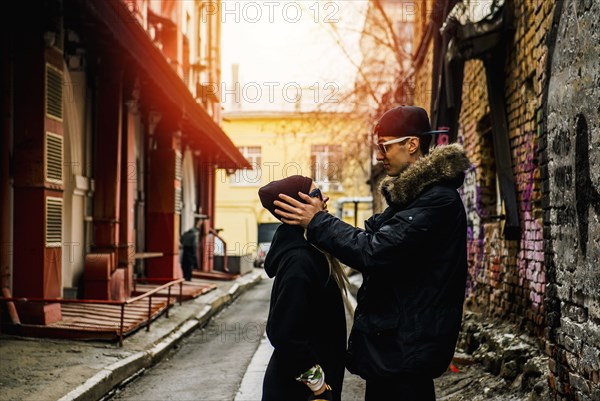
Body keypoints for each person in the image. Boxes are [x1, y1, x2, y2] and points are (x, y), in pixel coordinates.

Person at [273, 106, 471, 401]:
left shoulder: (437, 201)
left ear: (412, 144)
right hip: (394, 353)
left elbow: (375, 250)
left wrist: (318, 222)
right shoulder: (412, 200)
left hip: (406, 355)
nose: (379, 155)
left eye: (384, 146)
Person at [258, 175, 348, 401]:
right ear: (297, 205)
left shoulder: (311, 250)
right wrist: (318, 385)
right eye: (316, 194)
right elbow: (284, 332)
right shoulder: (300, 259)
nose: (324, 198)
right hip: (300, 392)